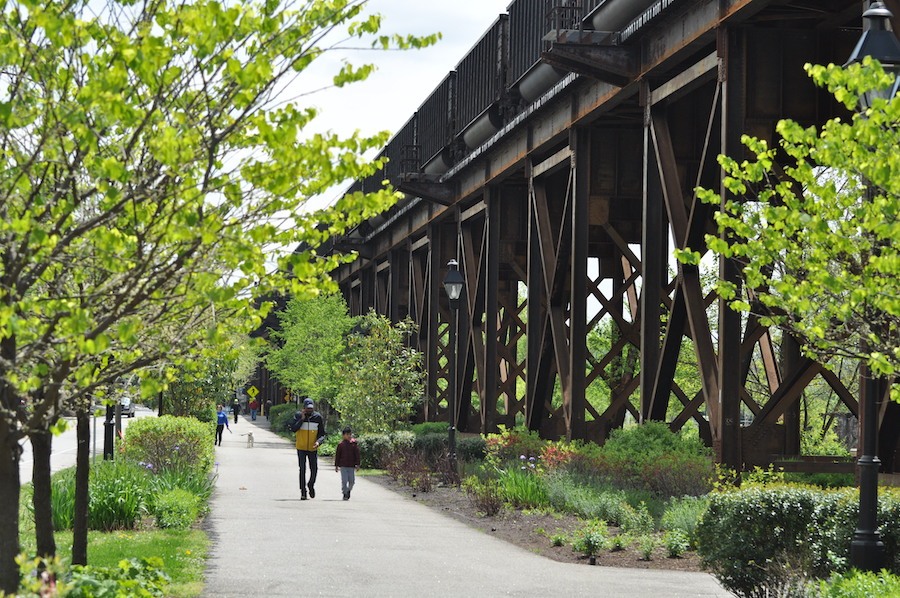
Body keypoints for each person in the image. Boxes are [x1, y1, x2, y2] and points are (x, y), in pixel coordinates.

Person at [288, 398, 326, 500]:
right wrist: (302, 419)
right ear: (303, 408)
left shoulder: (317, 417)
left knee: (314, 469)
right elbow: (293, 429)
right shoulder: (298, 416)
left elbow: (322, 434)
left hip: (313, 448)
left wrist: (318, 442)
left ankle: (310, 485)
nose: (309, 410)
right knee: (302, 469)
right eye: (307, 409)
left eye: (311, 409)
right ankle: (303, 491)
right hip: (301, 447)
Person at [334, 426, 360, 500]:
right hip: (343, 466)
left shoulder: (354, 444)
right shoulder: (341, 445)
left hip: (351, 466)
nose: (349, 436)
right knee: (344, 480)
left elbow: (357, 455)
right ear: (343, 435)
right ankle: (345, 493)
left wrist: (358, 464)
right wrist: (336, 465)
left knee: (352, 481)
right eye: (347, 434)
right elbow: (337, 455)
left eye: (350, 434)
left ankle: (348, 490)